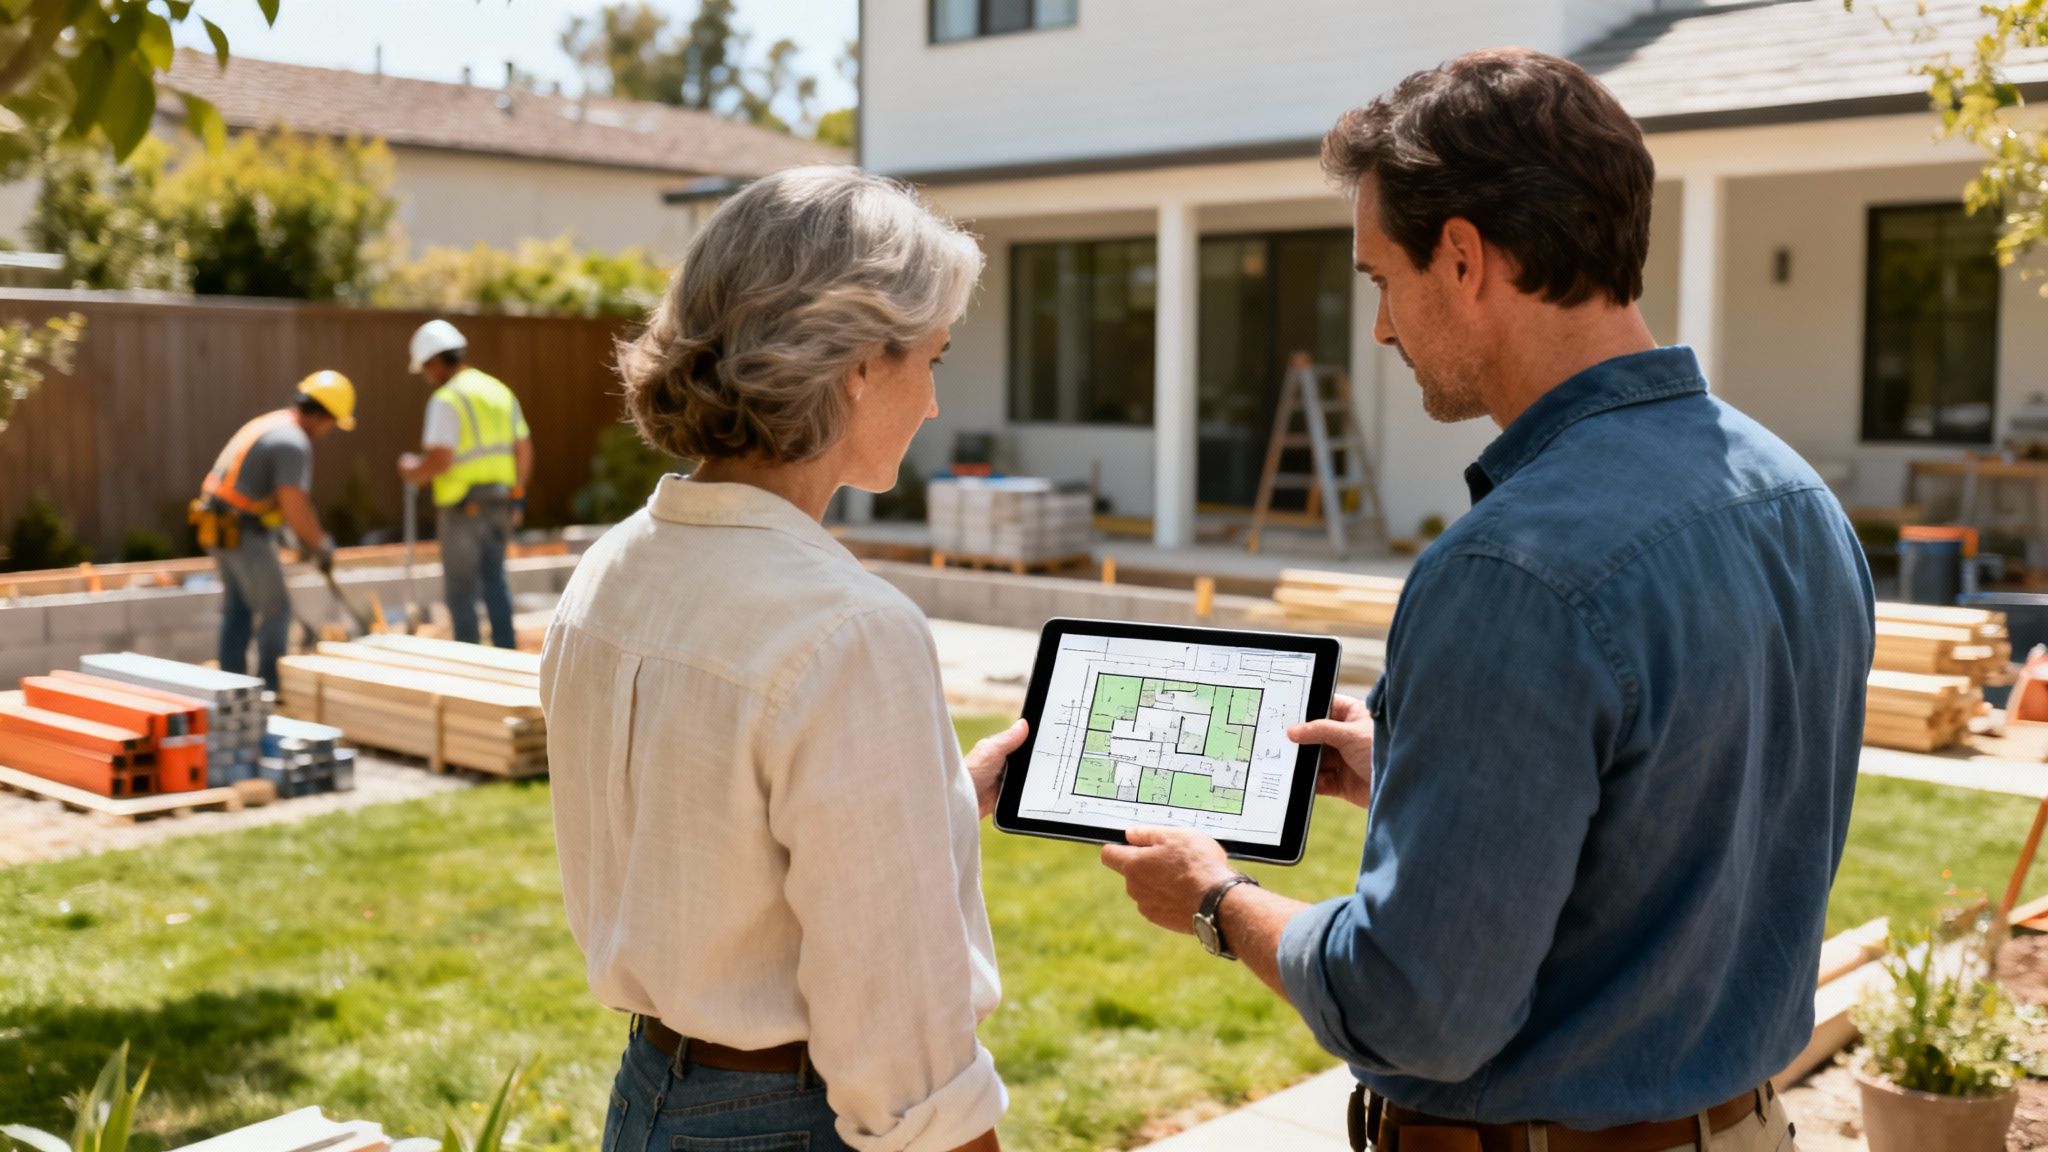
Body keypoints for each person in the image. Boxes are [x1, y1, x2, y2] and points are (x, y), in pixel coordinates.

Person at [1100, 49, 1874, 1152]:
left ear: (1460, 256)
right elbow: (1667, 829)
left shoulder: (1510, 568)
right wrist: (1428, 778)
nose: (1377, 327)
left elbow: (1417, 1008)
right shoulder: (1795, 500)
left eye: (1379, 280)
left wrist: (1216, 902)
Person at [542, 166, 1027, 1152]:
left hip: (650, 1099)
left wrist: (931, 800)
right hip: (795, 1123)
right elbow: (902, 1048)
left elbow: (716, 839)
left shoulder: (611, 572)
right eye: (930, 358)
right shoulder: (848, 629)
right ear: (855, 363)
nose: (934, 402)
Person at [191, 371, 356, 690]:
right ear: (324, 415)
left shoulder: (273, 423)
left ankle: (230, 689)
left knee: (238, 609)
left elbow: (266, 497)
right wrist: (318, 543)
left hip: (219, 524)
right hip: (242, 531)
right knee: (276, 610)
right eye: (332, 422)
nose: (328, 431)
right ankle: (269, 690)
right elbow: (294, 502)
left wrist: (295, 537)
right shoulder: (293, 442)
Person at [397, 319, 533, 648]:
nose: (428, 376)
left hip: (463, 507)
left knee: (461, 589)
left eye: (427, 368)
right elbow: (524, 449)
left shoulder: (447, 399)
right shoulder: (499, 391)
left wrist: (413, 470)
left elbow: (441, 459)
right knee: (495, 582)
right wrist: (518, 496)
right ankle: (506, 655)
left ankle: (467, 658)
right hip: (501, 501)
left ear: (436, 362)